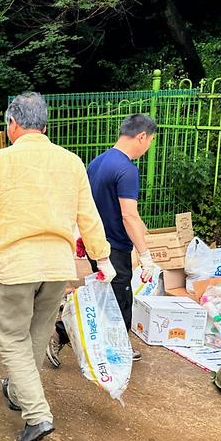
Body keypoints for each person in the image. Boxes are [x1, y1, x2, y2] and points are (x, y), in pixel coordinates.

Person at [0, 92, 114, 441]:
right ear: (44, 125)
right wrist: (102, 258)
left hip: (16, 265)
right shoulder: (71, 162)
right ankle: (19, 393)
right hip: (56, 266)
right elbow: (89, 217)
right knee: (36, 333)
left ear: (12, 124)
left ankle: (37, 415)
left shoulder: (3, 160)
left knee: (12, 336)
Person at [47, 114, 158, 367]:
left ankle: (110, 344)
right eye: (150, 141)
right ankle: (65, 335)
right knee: (117, 302)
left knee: (104, 297)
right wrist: (145, 255)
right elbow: (129, 215)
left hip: (95, 244)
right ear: (141, 136)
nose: (148, 147)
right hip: (114, 246)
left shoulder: (97, 163)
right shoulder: (127, 170)